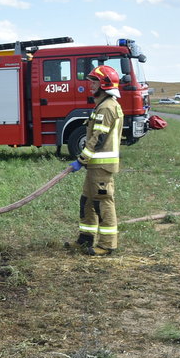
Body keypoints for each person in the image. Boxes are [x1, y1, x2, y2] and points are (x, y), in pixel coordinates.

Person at [67, 65, 124, 256]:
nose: (90, 85)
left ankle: (108, 245)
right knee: (88, 201)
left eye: (94, 82)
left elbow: (98, 138)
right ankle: (86, 239)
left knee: (103, 203)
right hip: (95, 166)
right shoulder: (103, 105)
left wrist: (81, 159)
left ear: (104, 84)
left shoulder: (107, 107)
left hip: (101, 166)